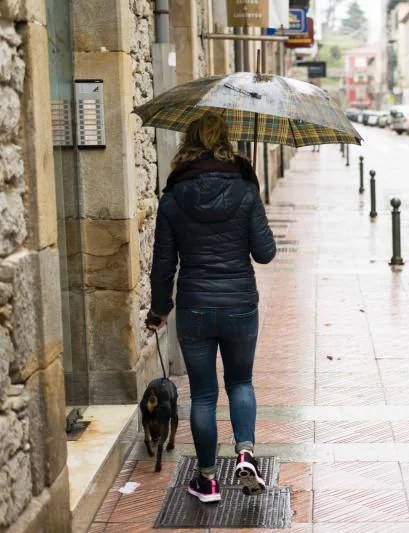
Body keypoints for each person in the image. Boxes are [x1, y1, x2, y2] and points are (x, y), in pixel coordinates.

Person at [147, 113, 277, 503]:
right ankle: (245, 454)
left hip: (195, 307)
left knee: (204, 395)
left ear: (188, 141)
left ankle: (206, 480)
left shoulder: (173, 197)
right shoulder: (244, 190)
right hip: (240, 304)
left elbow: (162, 265)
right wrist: (252, 194)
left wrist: (159, 310)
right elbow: (265, 253)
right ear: (226, 142)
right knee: (241, 382)